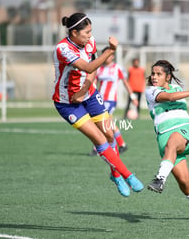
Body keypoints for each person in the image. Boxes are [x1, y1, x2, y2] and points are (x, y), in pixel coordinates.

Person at [52, 12, 144, 197]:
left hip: (90, 94)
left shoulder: (90, 42)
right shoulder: (63, 48)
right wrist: (110, 51)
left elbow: (93, 68)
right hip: (68, 104)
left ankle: (115, 175)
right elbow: (86, 67)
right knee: (100, 140)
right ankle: (127, 175)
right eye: (86, 32)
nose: (90, 35)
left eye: (91, 31)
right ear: (74, 33)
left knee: (110, 135)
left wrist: (85, 89)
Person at [145, 60, 189, 220]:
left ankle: (159, 179)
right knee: (183, 181)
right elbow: (168, 97)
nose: (154, 77)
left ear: (168, 77)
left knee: (173, 140)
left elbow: (174, 94)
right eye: (153, 73)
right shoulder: (151, 91)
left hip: (185, 132)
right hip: (165, 140)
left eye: (158, 74)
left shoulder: (177, 88)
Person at [88, 47, 138, 156]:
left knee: (101, 122)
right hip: (99, 100)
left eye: (109, 55)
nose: (107, 57)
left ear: (112, 56)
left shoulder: (117, 68)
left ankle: (98, 148)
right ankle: (122, 144)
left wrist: (133, 97)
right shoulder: (99, 69)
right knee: (108, 123)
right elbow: (94, 83)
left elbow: (126, 83)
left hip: (111, 100)